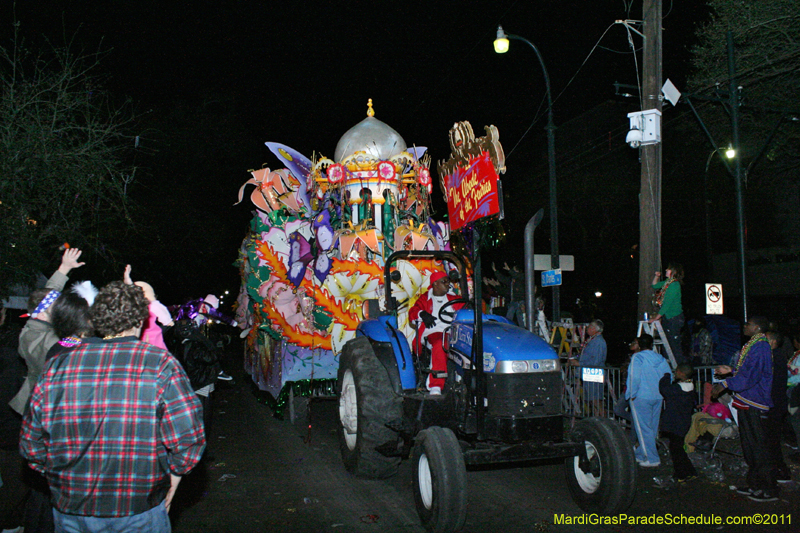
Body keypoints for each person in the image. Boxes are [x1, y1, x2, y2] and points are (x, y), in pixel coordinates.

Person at [19, 281, 206, 531]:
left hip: (71, 510)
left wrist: (63, 476)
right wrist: (173, 478)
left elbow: (31, 443)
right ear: (141, 320)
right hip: (138, 509)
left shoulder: (57, 365)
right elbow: (188, 438)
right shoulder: (160, 364)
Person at [9, 248, 84, 416]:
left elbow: (51, 292)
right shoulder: (33, 339)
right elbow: (68, 344)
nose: (62, 308)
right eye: (57, 307)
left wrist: (64, 268)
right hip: (43, 407)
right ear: (42, 314)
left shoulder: (37, 318)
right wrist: (81, 327)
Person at [714, 315, 777, 502]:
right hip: (747, 401)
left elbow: (751, 376)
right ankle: (755, 484)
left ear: (757, 327)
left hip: (755, 403)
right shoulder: (754, 345)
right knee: (750, 447)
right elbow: (748, 371)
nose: (744, 326)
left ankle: (768, 489)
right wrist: (731, 372)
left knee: (759, 448)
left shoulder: (760, 347)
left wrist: (725, 383)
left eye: (748, 324)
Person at [409, 271, 463, 394]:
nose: (448, 284)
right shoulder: (425, 298)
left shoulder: (454, 299)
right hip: (433, 332)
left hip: (454, 333)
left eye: (448, 281)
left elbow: (467, 309)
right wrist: (422, 314)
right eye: (444, 282)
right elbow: (413, 313)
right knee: (440, 342)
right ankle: (435, 385)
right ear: (435, 284)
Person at [627, 333, 672, 467]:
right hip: (658, 396)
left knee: (643, 428)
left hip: (641, 396)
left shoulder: (638, 357)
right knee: (651, 428)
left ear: (640, 345)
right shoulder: (660, 358)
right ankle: (641, 454)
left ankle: (652, 458)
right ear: (652, 345)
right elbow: (668, 375)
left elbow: (634, 377)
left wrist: (631, 393)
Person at [659, 363, 698, 482]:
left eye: (676, 371)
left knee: (676, 450)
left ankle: (681, 474)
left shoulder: (678, 389)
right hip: (683, 422)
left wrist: (665, 377)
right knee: (678, 448)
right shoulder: (689, 387)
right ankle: (690, 471)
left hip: (676, 424)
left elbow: (664, 389)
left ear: (681, 373)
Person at [123, 264, 174, 350]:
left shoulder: (149, 306)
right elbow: (167, 320)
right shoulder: (150, 306)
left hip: (141, 342)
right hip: (149, 342)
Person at [765, 330, 792, 483]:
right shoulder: (776, 356)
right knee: (771, 440)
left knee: (772, 440)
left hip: (775, 405)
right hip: (776, 404)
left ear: (773, 342)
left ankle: (781, 471)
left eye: (766, 340)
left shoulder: (776, 357)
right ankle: (777, 470)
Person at [569, 319, 607, 417]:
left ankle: (602, 419)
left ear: (595, 329)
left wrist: (579, 363)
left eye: (590, 327)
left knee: (595, 399)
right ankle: (596, 418)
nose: (588, 329)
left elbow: (596, 360)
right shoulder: (593, 340)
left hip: (594, 373)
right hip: (589, 372)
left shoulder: (598, 342)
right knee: (591, 399)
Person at [649, 263, 685, 363]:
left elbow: (666, 305)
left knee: (674, 345)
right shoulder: (667, 282)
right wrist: (656, 276)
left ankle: (680, 369)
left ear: (674, 272)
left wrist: (656, 318)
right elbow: (655, 285)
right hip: (668, 317)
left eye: (668, 269)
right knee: (667, 344)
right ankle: (668, 367)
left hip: (674, 318)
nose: (666, 270)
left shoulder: (674, 285)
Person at [492, 262, 525, 327]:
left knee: (520, 318)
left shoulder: (522, 277)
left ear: (517, 271)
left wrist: (509, 270)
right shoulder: (512, 280)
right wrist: (495, 271)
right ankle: (507, 328)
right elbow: (503, 279)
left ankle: (523, 330)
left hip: (521, 301)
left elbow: (517, 275)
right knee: (509, 316)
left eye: (514, 269)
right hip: (513, 301)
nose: (512, 271)